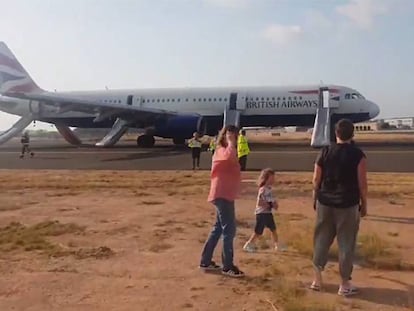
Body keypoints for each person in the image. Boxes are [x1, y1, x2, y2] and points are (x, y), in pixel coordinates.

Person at [311, 119, 368, 297]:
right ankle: (344, 283)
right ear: (352, 134)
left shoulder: (325, 151)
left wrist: (315, 198)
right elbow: (362, 183)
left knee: (321, 239)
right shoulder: (358, 155)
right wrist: (364, 203)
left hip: (325, 202)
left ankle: (317, 280)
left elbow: (316, 180)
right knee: (346, 243)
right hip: (347, 204)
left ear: (336, 134)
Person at [199, 125, 244, 278]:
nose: (235, 138)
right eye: (232, 135)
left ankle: (205, 261)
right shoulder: (221, 150)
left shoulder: (226, 150)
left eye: (236, 136)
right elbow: (229, 158)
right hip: (222, 194)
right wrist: (230, 142)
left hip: (225, 193)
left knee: (218, 228)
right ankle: (227, 266)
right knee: (229, 230)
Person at [243, 168, 280, 252]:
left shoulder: (269, 189)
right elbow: (259, 202)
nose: (273, 180)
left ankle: (277, 245)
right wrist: (269, 205)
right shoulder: (263, 189)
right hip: (261, 213)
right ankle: (248, 244)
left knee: (273, 228)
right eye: (271, 178)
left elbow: (272, 200)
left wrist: (274, 204)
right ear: (266, 178)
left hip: (267, 213)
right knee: (258, 231)